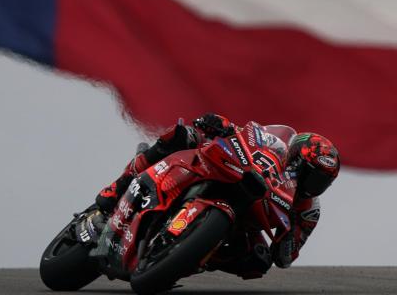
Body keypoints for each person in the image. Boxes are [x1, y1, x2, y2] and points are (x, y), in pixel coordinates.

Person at [94, 113, 340, 278]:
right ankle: (118, 186)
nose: (315, 184)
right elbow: (245, 133)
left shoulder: (308, 210)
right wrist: (219, 123)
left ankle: (191, 257)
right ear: (295, 157)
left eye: (323, 181)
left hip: (247, 218)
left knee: (258, 261)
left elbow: (286, 257)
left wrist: (286, 242)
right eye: (312, 174)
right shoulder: (275, 148)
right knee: (181, 135)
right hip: (226, 170)